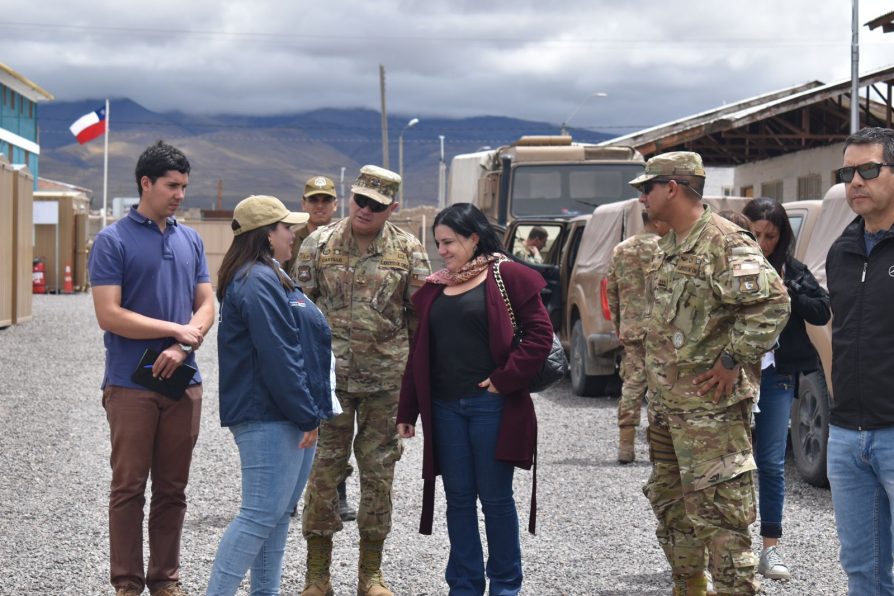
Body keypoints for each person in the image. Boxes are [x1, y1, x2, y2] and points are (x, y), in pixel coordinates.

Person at [631, 151, 790, 596]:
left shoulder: (724, 240)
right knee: (671, 508)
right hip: (668, 410)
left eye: (647, 187)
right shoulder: (670, 244)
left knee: (721, 521)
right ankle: (690, 587)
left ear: (672, 188)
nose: (642, 197)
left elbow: (773, 305)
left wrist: (731, 360)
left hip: (710, 416)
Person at [397, 203, 552, 596]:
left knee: (496, 499)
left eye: (449, 242)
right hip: (445, 411)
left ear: (473, 238)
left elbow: (539, 335)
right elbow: (420, 353)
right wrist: (408, 409)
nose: (442, 250)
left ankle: (505, 586)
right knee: (459, 499)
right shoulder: (435, 288)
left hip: (492, 408)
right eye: (438, 243)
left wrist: (504, 380)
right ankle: (464, 585)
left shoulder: (510, 276)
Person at [293, 165, 431, 596]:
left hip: (385, 384)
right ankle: (318, 574)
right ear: (350, 198)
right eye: (359, 200)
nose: (365, 210)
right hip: (327, 382)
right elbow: (298, 313)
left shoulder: (408, 251)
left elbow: (420, 322)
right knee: (323, 475)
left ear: (393, 207)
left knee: (378, 475)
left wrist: (415, 391)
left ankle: (370, 573)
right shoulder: (318, 244)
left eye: (376, 204)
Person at [88, 141, 215, 596]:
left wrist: (185, 342)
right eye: (171, 185)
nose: (180, 194)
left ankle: (165, 580)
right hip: (129, 386)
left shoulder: (190, 239)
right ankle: (127, 583)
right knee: (128, 488)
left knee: (172, 490)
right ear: (145, 183)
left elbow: (207, 303)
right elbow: (110, 314)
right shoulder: (112, 240)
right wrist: (175, 330)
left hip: (184, 383)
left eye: (184, 186)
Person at [206, 195, 333, 595]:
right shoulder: (257, 280)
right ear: (266, 235)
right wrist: (306, 414)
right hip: (272, 416)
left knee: (276, 517)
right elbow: (280, 354)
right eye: (286, 228)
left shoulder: (265, 274)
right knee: (259, 516)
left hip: (281, 413)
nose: (294, 234)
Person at [741, 197, 831, 582]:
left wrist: (788, 293)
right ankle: (729, 549)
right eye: (755, 234)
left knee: (772, 462)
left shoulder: (792, 270)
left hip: (775, 375)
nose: (762, 243)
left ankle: (770, 546)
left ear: (782, 237)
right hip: (732, 375)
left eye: (770, 236)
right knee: (729, 461)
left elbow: (822, 310)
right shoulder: (723, 267)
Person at [826, 126, 894, 594]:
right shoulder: (841, 252)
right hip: (847, 434)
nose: (856, 181)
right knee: (861, 568)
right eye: (848, 171)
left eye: (869, 169)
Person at [284, 174, 356, 523]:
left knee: (334, 418)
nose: (319, 206)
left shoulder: (344, 240)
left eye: (325, 200)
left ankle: (337, 495)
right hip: (297, 338)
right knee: (298, 418)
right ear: (303, 203)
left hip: (335, 341)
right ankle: (292, 492)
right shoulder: (290, 240)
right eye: (314, 200)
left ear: (335, 204)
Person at [606, 211, 670, 464]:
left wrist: (618, 325)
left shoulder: (621, 249)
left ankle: (626, 446)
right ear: (657, 220)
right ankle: (659, 446)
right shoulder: (665, 248)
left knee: (632, 385)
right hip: (661, 329)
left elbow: (611, 289)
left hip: (632, 328)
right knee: (661, 387)